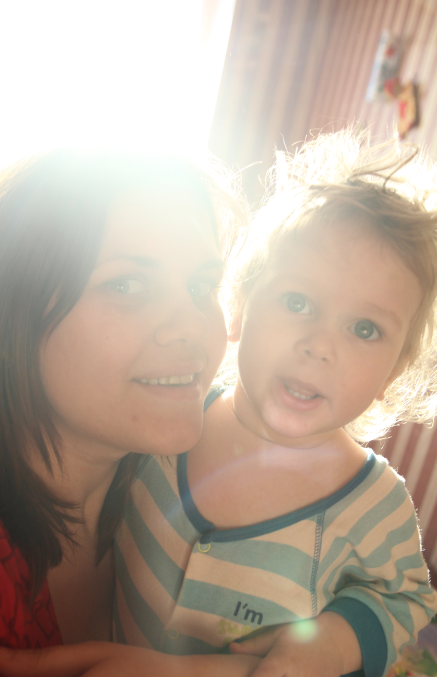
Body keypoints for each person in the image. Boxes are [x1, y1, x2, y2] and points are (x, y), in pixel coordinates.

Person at [111, 132, 437, 677]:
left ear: (393, 372)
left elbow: (409, 601)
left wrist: (333, 642)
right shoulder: (173, 412)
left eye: (364, 329)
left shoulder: (375, 506)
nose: (320, 345)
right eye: (297, 301)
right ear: (238, 306)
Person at [0, 149, 260, 677]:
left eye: (202, 287)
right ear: (10, 310)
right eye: (127, 285)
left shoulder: (198, 483)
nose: (194, 325)